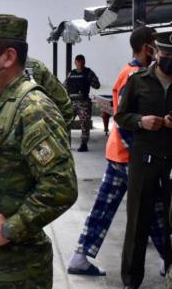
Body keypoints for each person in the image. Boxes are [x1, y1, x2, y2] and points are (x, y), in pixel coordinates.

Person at [0, 14, 77, 288]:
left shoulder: (32, 108)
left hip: (16, 272)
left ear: (8, 57)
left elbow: (61, 186)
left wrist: (11, 228)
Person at [68, 27, 168, 277]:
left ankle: (81, 255)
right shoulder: (137, 75)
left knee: (105, 206)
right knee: (155, 210)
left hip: (119, 154)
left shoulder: (129, 71)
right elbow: (125, 118)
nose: (160, 51)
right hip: (132, 157)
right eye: (157, 45)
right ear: (148, 48)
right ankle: (168, 258)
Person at [115, 30, 172, 289]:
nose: (169, 59)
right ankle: (131, 280)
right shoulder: (139, 81)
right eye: (166, 54)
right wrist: (141, 121)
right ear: (155, 52)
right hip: (145, 159)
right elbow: (121, 116)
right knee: (138, 221)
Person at [64, 54, 101, 152]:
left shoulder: (88, 73)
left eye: (81, 61)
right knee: (65, 122)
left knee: (84, 124)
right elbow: (65, 86)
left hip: (84, 103)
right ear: (75, 63)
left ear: (84, 62)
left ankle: (84, 144)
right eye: (78, 61)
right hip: (71, 102)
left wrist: (90, 80)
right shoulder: (71, 73)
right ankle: (66, 143)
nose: (80, 63)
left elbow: (97, 85)